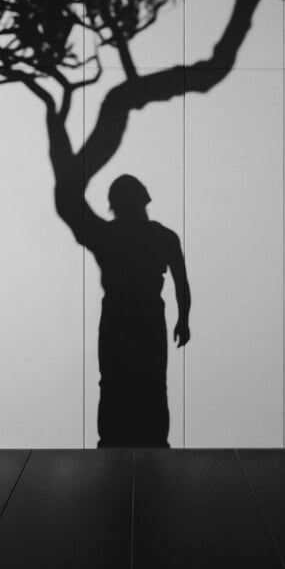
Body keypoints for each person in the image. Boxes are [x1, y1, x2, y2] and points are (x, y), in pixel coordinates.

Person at [88, 174, 191, 448]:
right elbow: (181, 281)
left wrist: (184, 319)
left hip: (125, 319)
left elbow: (181, 282)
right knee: (144, 383)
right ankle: (142, 443)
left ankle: (129, 443)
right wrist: (183, 319)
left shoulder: (110, 235)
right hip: (137, 318)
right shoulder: (162, 237)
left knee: (123, 383)